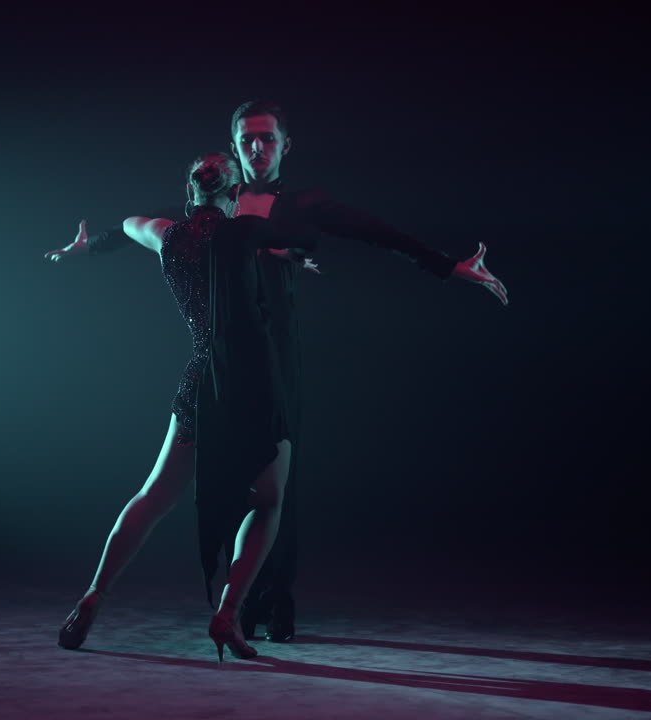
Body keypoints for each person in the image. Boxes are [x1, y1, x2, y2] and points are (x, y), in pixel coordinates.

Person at [47, 99, 508, 644]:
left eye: (267, 139)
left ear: (285, 145)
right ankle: (231, 609)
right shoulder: (239, 219)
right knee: (267, 496)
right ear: (234, 156)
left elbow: (371, 231)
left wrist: (445, 264)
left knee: (196, 494)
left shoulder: (234, 218)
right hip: (249, 371)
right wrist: (284, 251)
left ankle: (242, 603)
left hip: (241, 363)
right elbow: (224, 240)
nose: (256, 149)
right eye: (246, 141)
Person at [55, 152, 321, 661]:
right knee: (267, 501)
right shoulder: (246, 236)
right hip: (252, 386)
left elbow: (130, 224)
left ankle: (94, 594)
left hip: (200, 380)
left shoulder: (167, 236)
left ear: (190, 191)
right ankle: (228, 610)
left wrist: (93, 245)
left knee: (154, 495)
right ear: (235, 193)